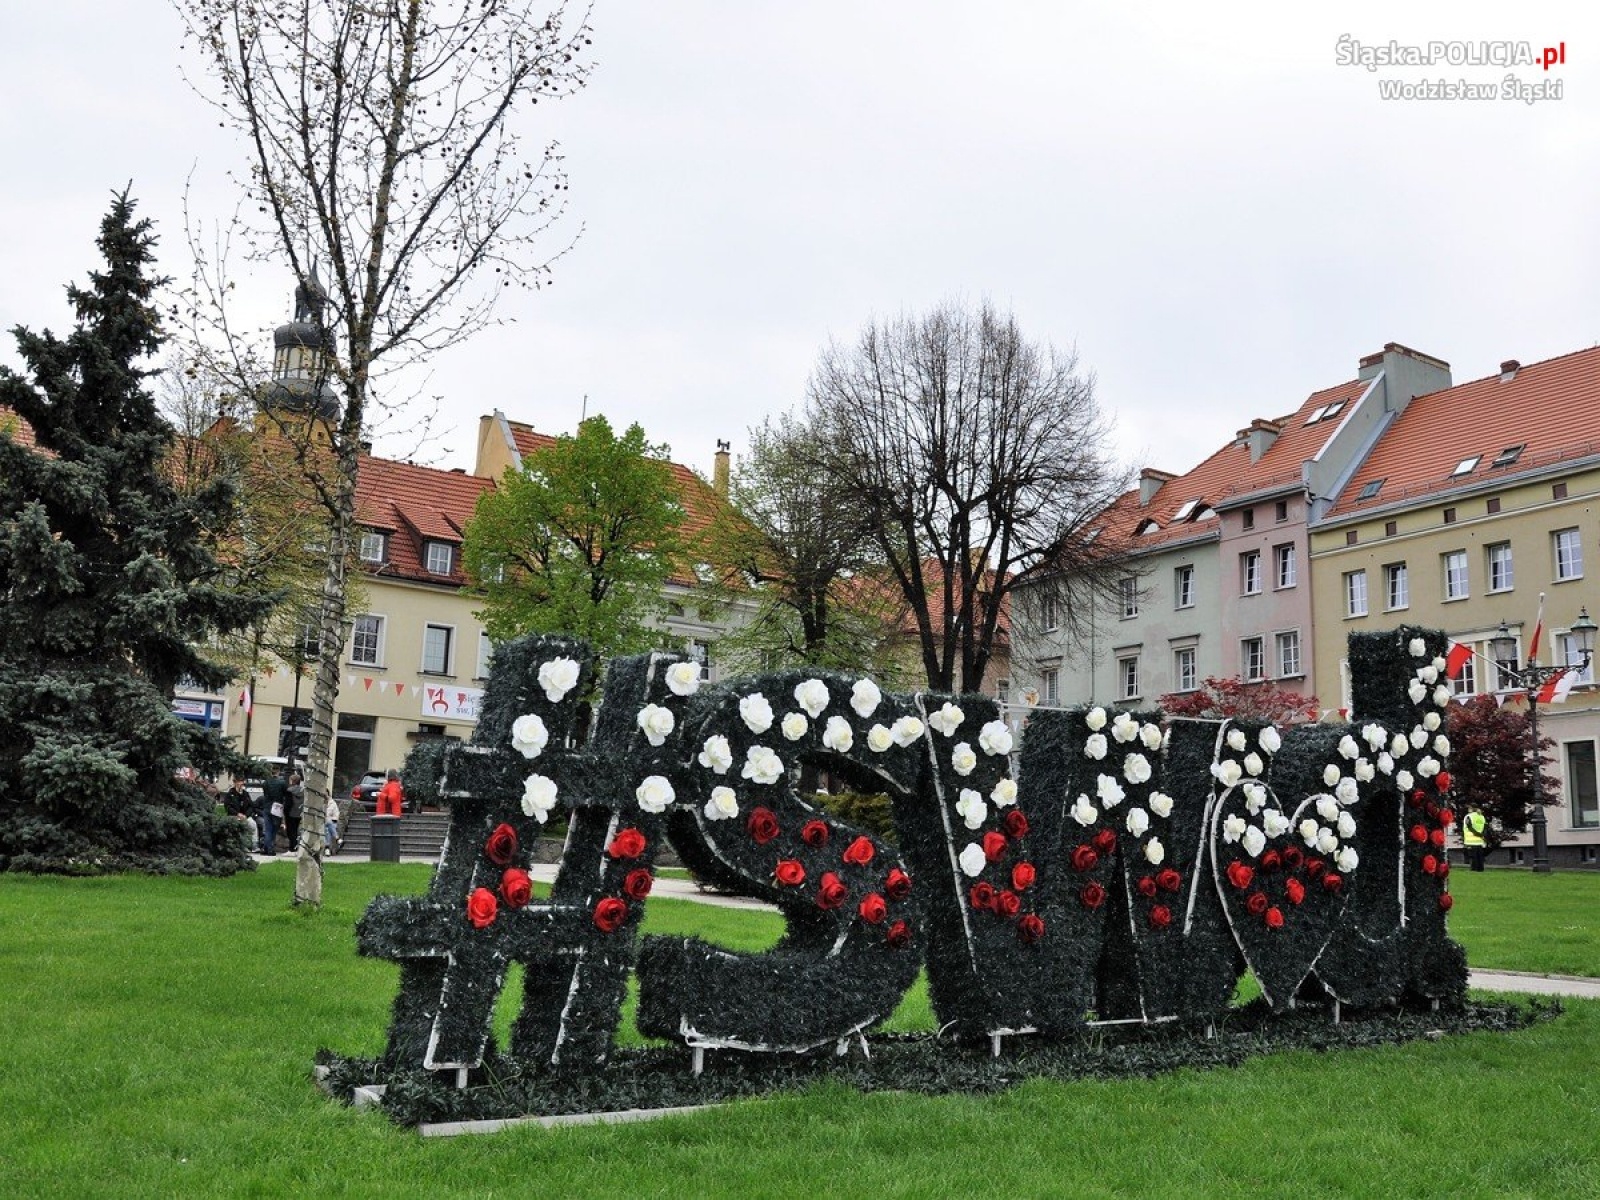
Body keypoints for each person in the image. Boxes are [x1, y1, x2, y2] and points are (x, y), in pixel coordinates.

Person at [222, 778, 258, 850]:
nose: (240, 784)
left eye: (241, 782)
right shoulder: (230, 794)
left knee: (253, 824)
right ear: (235, 783)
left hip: (245, 816)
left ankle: (254, 845)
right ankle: (239, 846)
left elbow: (251, 806)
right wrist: (237, 814)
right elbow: (228, 807)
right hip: (234, 816)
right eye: (239, 782)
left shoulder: (245, 794)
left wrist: (246, 815)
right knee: (237, 827)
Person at [260, 773, 289, 855]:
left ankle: (266, 848)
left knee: (268, 829)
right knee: (274, 830)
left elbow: (265, 793)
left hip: (267, 807)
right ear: (278, 772)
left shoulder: (265, 782)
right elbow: (285, 794)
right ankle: (270, 849)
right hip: (277, 808)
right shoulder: (282, 783)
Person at [1463, 802, 1488, 872]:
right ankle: (1480, 869)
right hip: (1479, 840)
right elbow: (1485, 827)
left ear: (1472, 808)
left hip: (1471, 840)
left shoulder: (1469, 816)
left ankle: (1473, 869)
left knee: (1472, 856)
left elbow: (1469, 827)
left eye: (1469, 807)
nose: (1468, 809)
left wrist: (1477, 834)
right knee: (1479, 856)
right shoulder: (1481, 816)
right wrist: (1482, 835)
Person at [285, 772, 306, 853]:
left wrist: (285, 812)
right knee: (296, 830)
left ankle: (292, 848)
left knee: (290, 831)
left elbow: (288, 804)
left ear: (292, 781)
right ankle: (295, 847)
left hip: (291, 813)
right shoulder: (303, 790)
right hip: (299, 812)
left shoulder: (289, 790)